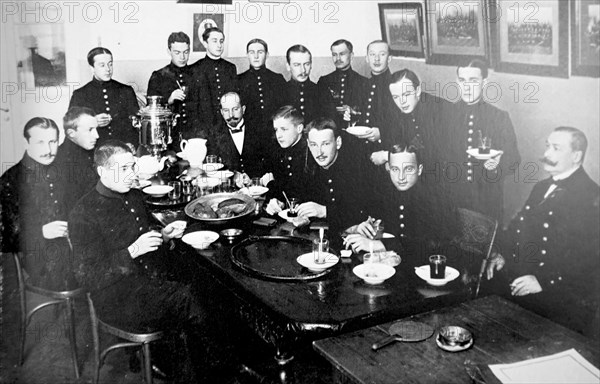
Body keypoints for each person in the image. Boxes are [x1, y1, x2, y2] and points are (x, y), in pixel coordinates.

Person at [68, 140, 206, 381]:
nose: (131, 175)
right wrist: (132, 250)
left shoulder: (131, 195)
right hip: (117, 297)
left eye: (132, 167)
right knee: (192, 299)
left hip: (148, 280)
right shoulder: (83, 213)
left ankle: (187, 366)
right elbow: (89, 276)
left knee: (205, 281)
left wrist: (162, 234)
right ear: (102, 171)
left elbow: (141, 231)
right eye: (123, 169)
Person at [486, 127, 599, 339]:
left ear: (576, 156)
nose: (546, 154)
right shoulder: (542, 187)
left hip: (561, 302)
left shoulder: (591, 197)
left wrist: (543, 282)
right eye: (548, 146)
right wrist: (501, 254)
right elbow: (519, 228)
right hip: (524, 287)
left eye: (556, 148)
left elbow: (587, 261)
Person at [344, 143, 457, 268]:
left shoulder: (435, 198)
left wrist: (379, 245)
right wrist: (362, 227)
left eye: (408, 169)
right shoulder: (383, 193)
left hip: (427, 270)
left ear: (419, 170)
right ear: (388, 168)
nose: (401, 177)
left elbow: (430, 244)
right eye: (395, 169)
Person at [0, 117, 77, 291]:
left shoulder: (65, 170)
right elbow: (7, 239)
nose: (48, 150)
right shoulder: (11, 180)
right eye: (40, 143)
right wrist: (41, 232)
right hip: (37, 253)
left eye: (53, 142)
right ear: (26, 143)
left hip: (71, 243)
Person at [444, 59, 520, 221]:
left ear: (484, 82)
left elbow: (514, 160)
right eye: (463, 81)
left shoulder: (499, 117)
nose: (467, 87)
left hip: (486, 203)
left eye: (473, 81)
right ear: (457, 82)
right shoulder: (445, 114)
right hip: (451, 201)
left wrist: (497, 164)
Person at [296, 117, 374, 235]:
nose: (319, 152)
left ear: (338, 143)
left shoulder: (356, 170)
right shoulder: (308, 167)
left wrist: (324, 211)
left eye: (325, 144)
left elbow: (362, 212)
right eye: (314, 145)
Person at [373, 69, 453, 174]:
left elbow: (432, 150)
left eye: (406, 94)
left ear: (418, 90)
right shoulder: (401, 110)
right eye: (396, 97)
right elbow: (396, 137)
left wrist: (387, 156)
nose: (402, 102)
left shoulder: (440, 109)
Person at [69, 47, 139, 145]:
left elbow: (136, 125)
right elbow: (72, 127)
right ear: (92, 68)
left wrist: (131, 144)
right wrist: (92, 122)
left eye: (110, 64)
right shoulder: (80, 94)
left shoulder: (126, 91)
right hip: (93, 149)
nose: (108, 69)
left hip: (122, 147)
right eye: (102, 65)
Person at [206, 92, 273, 182]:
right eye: (226, 110)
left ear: (243, 109)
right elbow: (213, 169)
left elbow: (271, 163)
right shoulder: (214, 135)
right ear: (222, 112)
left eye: (235, 109)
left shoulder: (259, 130)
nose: (231, 115)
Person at [147, 32, 198, 144]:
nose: (182, 57)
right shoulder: (158, 76)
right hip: (168, 137)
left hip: (194, 135)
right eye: (177, 52)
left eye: (186, 52)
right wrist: (169, 100)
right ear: (169, 51)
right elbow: (151, 110)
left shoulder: (197, 75)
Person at [264, 106, 315, 214]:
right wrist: (276, 200)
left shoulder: (312, 151)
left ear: (299, 128)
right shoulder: (277, 149)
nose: (279, 135)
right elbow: (282, 186)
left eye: (284, 129)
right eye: (276, 130)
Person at [344, 40, 393, 149]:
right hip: (361, 147)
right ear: (367, 58)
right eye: (372, 54)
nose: (376, 59)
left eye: (382, 54)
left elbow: (403, 121)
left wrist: (382, 133)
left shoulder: (395, 85)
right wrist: (351, 115)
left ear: (389, 58)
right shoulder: (363, 85)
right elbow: (361, 113)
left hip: (385, 147)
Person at [192, 27, 237, 133]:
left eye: (221, 41)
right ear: (205, 43)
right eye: (214, 41)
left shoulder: (230, 68)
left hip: (227, 125)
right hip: (204, 127)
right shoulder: (195, 68)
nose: (219, 45)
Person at [55, 107, 100, 213]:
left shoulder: (90, 150)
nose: (97, 135)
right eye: (90, 130)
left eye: (96, 129)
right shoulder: (62, 162)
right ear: (71, 133)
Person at [237, 38, 287, 132]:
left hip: (273, 133)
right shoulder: (239, 80)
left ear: (267, 55)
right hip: (249, 133)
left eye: (260, 52)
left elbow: (284, 109)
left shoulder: (277, 79)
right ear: (247, 55)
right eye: (252, 52)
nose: (256, 56)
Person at [317, 39, 367, 125]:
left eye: (342, 54)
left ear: (351, 55)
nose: (338, 58)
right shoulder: (324, 81)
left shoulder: (363, 82)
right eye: (334, 55)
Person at [283, 45, 319, 123]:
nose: (303, 70)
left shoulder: (321, 90)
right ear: (288, 66)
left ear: (311, 65)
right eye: (297, 65)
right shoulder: (280, 91)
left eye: (307, 64)